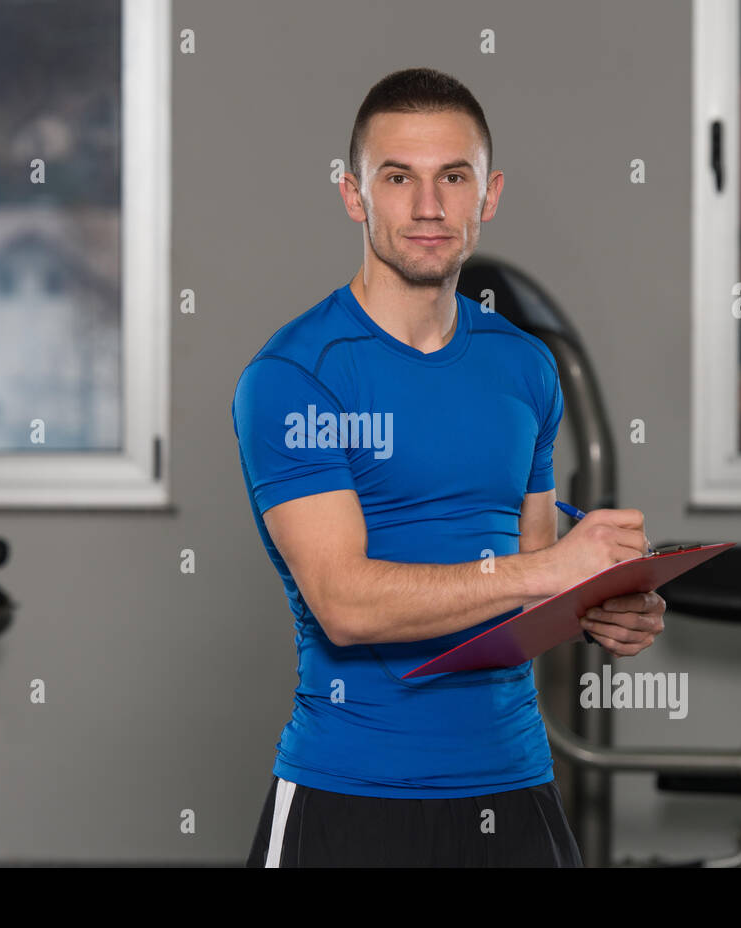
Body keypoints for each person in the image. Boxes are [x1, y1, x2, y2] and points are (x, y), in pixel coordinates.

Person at [232, 67, 665, 867]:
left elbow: (534, 577)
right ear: (353, 195)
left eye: (452, 177)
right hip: (350, 796)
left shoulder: (525, 367)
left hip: (514, 785)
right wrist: (549, 573)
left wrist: (597, 601)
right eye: (398, 178)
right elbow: (345, 604)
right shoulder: (295, 375)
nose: (428, 207)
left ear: (488, 194)